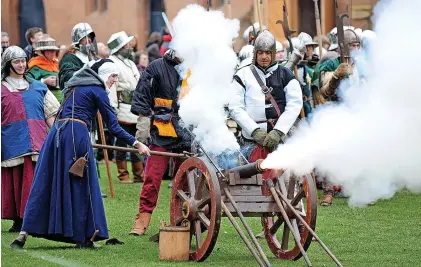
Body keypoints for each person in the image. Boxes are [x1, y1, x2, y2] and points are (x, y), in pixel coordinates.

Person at [10, 59, 150, 249]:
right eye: (113, 76)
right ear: (103, 75)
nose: (114, 80)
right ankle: (85, 238)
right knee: (82, 184)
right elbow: (114, 126)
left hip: (56, 135)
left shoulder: (76, 87)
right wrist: (137, 143)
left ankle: (23, 235)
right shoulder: (97, 90)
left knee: (46, 181)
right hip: (76, 135)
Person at [129, 49, 191, 235]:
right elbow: (142, 99)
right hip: (161, 134)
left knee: (187, 181)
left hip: (187, 135)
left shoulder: (194, 69)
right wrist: (141, 134)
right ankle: (142, 220)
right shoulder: (156, 67)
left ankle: (182, 220)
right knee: (152, 179)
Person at [1, 46, 60, 233]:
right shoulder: (1, 89)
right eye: (16, 61)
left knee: (36, 182)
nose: (20, 65)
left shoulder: (38, 87)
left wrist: (59, 135)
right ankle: (19, 220)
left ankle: (36, 220)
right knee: (16, 184)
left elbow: (51, 115)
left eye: (23, 61)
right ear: (8, 63)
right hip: (12, 144)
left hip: (37, 142)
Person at [229, 30, 303, 156]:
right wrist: (255, 131)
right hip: (251, 140)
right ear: (255, 53)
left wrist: (278, 131)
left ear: (273, 53)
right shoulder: (242, 75)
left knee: (287, 175)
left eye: (268, 52)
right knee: (252, 174)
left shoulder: (286, 74)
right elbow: (236, 108)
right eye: (260, 52)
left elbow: (294, 105)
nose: (264, 57)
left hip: (281, 139)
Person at [107, 31, 144, 183]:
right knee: (121, 142)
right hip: (122, 107)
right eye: (126, 44)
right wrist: (113, 107)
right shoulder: (112, 62)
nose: (129, 46)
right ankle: (123, 175)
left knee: (136, 140)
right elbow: (112, 87)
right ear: (120, 47)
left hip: (134, 107)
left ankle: (138, 174)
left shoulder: (129, 62)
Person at [59, 22, 98, 90]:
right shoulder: (69, 58)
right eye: (86, 37)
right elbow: (66, 78)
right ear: (78, 40)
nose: (89, 40)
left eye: (90, 37)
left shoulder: (94, 58)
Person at [27, 36, 62, 102]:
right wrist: (44, 81)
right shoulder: (36, 65)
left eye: (54, 51)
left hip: (61, 100)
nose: (53, 53)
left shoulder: (56, 63)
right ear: (42, 51)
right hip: (47, 101)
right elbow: (27, 81)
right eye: (50, 51)